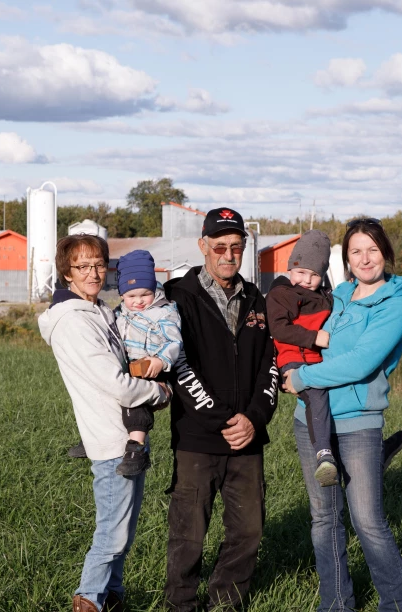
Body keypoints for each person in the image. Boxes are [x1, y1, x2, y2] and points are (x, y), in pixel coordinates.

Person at [282, 218, 402, 612]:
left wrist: (302, 377)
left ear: (385, 253)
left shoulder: (396, 303)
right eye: (356, 251)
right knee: (324, 519)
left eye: (372, 249)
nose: (365, 258)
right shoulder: (338, 294)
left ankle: (397, 603)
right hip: (311, 418)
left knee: (367, 522)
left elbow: (361, 363)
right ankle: (336, 603)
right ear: (346, 258)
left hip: (357, 423)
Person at [38, 234, 171, 612]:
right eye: (83, 266)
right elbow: (116, 384)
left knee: (123, 532)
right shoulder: (73, 322)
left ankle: (112, 598)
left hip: (125, 435)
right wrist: (159, 393)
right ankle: (89, 600)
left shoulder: (99, 311)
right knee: (112, 534)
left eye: (98, 264)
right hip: (110, 439)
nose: (93, 273)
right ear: (67, 273)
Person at [163, 207, 279, 612]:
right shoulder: (178, 298)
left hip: (248, 439)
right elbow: (178, 365)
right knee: (188, 534)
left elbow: (271, 364)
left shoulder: (257, 299)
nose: (229, 255)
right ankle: (181, 605)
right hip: (197, 438)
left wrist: (254, 418)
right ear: (203, 246)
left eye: (236, 246)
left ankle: (226, 603)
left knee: (248, 531)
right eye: (219, 247)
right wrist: (221, 419)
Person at [265, 229, 339, 486]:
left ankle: (372, 454)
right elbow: (279, 328)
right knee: (316, 394)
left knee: (338, 398)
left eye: (314, 274)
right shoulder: (283, 294)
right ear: (290, 268)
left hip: (316, 360)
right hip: (294, 359)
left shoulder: (325, 296)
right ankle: (324, 455)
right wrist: (314, 337)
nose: (306, 280)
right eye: (301, 272)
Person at [113, 249, 183, 476]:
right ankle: (93, 438)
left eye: (145, 294)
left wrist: (161, 360)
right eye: (131, 296)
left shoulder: (164, 313)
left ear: (154, 289)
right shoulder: (119, 313)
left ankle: (137, 449)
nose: (139, 301)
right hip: (128, 369)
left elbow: (174, 341)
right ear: (122, 294)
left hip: (153, 371)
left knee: (136, 402)